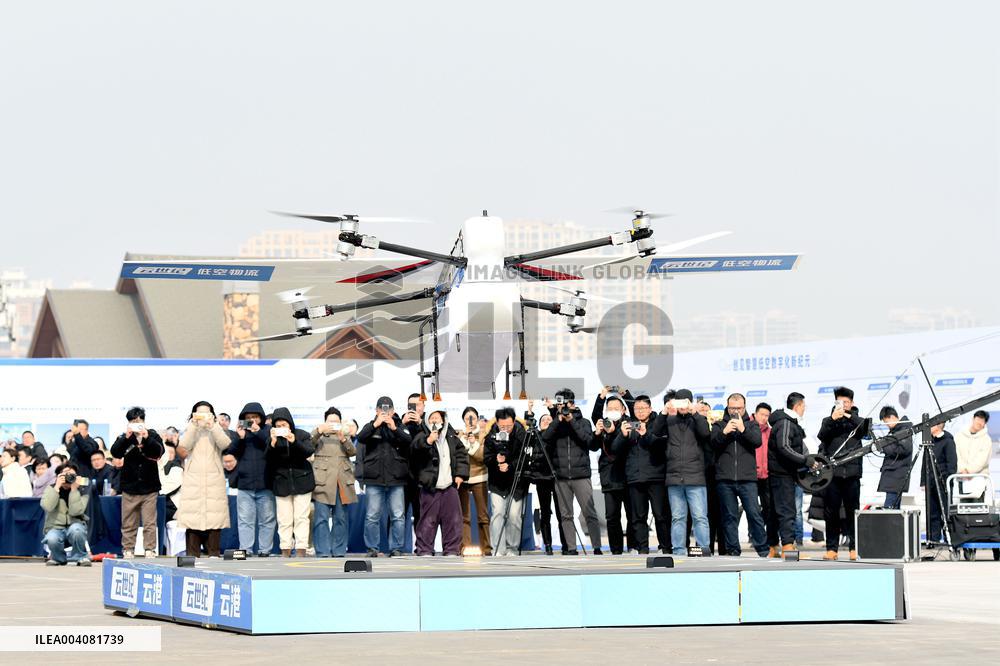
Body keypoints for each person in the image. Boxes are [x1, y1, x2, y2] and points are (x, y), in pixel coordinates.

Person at [543, 389, 602, 555]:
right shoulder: (556, 423)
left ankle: (597, 547)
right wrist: (558, 419)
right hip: (561, 476)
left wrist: (571, 421)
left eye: (566, 405)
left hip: (581, 475)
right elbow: (546, 438)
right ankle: (571, 548)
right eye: (560, 404)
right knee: (565, 515)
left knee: (589, 512)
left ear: (573, 405)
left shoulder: (583, 422)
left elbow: (588, 441)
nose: (563, 408)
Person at [655, 389, 712, 556]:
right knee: (678, 518)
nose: (682, 406)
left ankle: (703, 550)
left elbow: (705, 433)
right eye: (679, 402)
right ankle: (679, 550)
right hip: (674, 477)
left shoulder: (697, 419)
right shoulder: (669, 420)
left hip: (695, 477)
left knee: (700, 517)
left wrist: (694, 412)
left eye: (685, 402)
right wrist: (664, 412)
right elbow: (656, 432)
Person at [711, 393, 769, 557]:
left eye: (739, 408)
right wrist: (724, 432)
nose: (735, 411)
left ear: (744, 407)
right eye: (732, 408)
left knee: (754, 514)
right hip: (724, 478)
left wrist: (742, 429)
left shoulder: (751, 424)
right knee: (729, 517)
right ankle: (733, 550)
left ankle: (763, 549)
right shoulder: (719, 424)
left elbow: (757, 441)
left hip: (747, 479)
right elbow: (713, 443)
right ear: (727, 407)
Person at [613, 395, 671, 554]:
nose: (640, 411)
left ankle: (665, 548)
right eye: (637, 409)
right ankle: (642, 549)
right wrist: (623, 435)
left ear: (650, 409)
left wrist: (645, 434)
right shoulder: (629, 425)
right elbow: (615, 449)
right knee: (638, 517)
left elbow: (660, 446)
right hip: (634, 477)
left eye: (643, 408)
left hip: (656, 476)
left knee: (661, 515)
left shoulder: (659, 422)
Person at [358, 396, 413, 557]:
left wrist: (394, 427)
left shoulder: (400, 425)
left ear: (393, 411)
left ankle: (396, 548)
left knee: (398, 516)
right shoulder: (370, 426)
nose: (385, 413)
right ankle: (372, 548)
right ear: (376, 411)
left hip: (396, 478)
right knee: (371, 516)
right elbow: (361, 438)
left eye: (388, 410)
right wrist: (375, 424)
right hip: (374, 478)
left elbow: (408, 440)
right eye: (382, 410)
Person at [176, 401, 231, 557]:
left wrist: (213, 425)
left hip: (214, 479)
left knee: (215, 519)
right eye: (199, 413)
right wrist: (194, 425)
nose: (203, 416)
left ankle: (213, 553)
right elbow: (184, 446)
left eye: (206, 413)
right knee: (193, 519)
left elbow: (225, 443)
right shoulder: (191, 429)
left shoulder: (216, 428)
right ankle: (192, 555)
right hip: (193, 479)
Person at [817, 387, 866, 560]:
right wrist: (832, 419)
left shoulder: (857, 420)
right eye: (840, 402)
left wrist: (849, 416)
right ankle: (832, 548)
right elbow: (821, 435)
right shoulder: (828, 420)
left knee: (853, 511)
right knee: (831, 512)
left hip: (852, 473)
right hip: (833, 473)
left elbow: (865, 431)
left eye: (847, 402)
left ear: (852, 403)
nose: (843, 405)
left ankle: (855, 547)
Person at [411, 410, 469, 556]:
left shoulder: (451, 437)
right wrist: (428, 441)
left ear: (443, 421)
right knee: (427, 521)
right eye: (431, 418)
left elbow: (462, 455)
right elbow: (414, 453)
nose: (435, 421)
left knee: (453, 520)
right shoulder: (421, 436)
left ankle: (452, 550)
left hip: (449, 486)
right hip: (430, 487)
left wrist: (460, 475)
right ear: (427, 421)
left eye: (438, 418)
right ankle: (424, 550)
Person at [110, 407, 164, 559]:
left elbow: (158, 452)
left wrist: (146, 438)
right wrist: (126, 438)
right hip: (130, 487)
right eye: (133, 421)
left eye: (139, 420)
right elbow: (115, 452)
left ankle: (150, 549)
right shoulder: (125, 437)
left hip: (149, 487)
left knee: (149, 522)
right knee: (128, 522)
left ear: (144, 421)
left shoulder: (152, 435)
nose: (136, 423)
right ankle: (128, 549)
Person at [228, 402, 276, 556]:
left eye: (255, 417)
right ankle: (246, 550)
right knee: (245, 520)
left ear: (261, 418)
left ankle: (265, 550)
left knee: (267, 520)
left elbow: (271, 447)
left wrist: (258, 432)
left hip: (266, 483)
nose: (252, 421)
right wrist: (240, 438)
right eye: (248, 418)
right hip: (245, 483)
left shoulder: (268, 430)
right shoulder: (241, 433)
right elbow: (231, 452)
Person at [268, 407, 315, 557]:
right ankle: (285, 549)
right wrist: (273, 443)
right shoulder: (272, 438)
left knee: (301, 517)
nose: (282, 428)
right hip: (282, 483)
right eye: (278, 426)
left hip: (302, 481)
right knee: (284, 519)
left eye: (284, 425)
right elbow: (267, 459)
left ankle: (301, 549)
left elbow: (308, 451)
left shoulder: (302, 434)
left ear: (290, 424)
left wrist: (294, 441)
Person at [311, 407, 358, 558]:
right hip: (322, 482)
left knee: (341, 519)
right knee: (321, 519)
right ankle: (323, 551)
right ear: (325, 422)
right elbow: (307, 445)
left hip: (341, 482)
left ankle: (338, 551)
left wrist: (343, 438)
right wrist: (319, 430)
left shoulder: (344, 435)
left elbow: (353, 452)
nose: (333, 425)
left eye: (336, 422)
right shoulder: (318, 436)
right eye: (330, 422)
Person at [768, 392, 809, 557]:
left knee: (776, 511)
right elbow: (784, 447)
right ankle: (787, 547)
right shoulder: (786, 423)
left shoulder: (786, 422)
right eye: (804, 407)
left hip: (783, 473)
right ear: (797, 406)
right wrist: (805, 460)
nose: (804, 410)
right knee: (787, 510)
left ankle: (773, 547)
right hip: (782, 473)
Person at [484, 407, 530, 555]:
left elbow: (526, 458)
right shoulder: (491, 436)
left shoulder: (522, 435)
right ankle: (498, 549)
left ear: (514, 421)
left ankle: (512, 548)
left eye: (509, 426)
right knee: (497, 514)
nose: (506, 429)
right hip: (497, 483)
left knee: (514, 515)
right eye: (502, 426)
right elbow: (486, 458)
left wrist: (509, 466)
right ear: (497, 423)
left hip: (517, 482)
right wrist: (495, 460)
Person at [524, 404, 565, 554]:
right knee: (545, 512)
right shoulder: (534, 437)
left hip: (557, 476)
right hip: (542, 477)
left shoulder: (557, 435)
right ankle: (547, 545)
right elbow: (528, 427)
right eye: (543, 420)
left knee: (562, 512)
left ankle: (566, 544)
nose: (547, 421)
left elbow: (559, 422)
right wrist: (529, 412)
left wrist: (553, 410)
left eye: (549, 419)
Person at [594, 393, 633, 554]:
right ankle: (616, 550)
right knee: (612, 517)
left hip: (628, 476)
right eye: (610, 409)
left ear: (623, 409)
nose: (613, 411)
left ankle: (633, 547)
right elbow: (592, 445)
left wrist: (613, 433)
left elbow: (621, 447)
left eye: (616, 408)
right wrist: (598, 433)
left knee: (633, 515)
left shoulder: (629, 423)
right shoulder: (604, 424)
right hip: (609, 477)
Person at [41, 463, 91, 566]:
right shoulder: (51, 488)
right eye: (65, 475)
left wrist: (74, 490)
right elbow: (47, 506)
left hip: (75, 524)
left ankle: (80, 557)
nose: (69, 477)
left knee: (76, 530)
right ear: (58, 476)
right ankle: (58, 558)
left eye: (72, 475)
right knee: (52, 538)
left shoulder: (82, 489)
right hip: (55, 527)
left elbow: (75, 511)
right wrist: (57, 487)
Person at [457, 407, 492, 555]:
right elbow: (458, 457)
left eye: (473, 418)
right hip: (463, 478)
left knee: (483, 515)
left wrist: (473, 443)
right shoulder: (459, 435)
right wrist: (464, 439)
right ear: (463, 420)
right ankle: (464, 547)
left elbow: (482, 457)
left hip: (480, 478)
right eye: (467, 418)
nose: (470, 421)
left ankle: (487, 548)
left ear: (477, 419)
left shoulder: (484, 434)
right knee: (464, 516)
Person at [921, 423, 957, 544]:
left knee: (945, 512)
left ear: (937, 426)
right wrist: (923, 481)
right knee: (932, 512)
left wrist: (947, 481)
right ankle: (933, 539)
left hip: (943, 482)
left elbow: (952, 463)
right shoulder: (929, 441)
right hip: (930, 481)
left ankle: (949, 538)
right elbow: (924, 462)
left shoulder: (948, 440)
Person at [753, 403, 779, 548]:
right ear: (755, 414)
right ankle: (755, 538)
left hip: (767, 475)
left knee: (770, 510)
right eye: (762, 414)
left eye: (767, 415)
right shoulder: (748, 428)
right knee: (751, 510)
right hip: (751, 476)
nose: (764, 418)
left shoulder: (771, 432)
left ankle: (771, 542)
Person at [878, 406, 913, 509]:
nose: (887, 426)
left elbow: (904, 449)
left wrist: (884, 446)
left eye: (886, 422)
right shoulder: (898, 431)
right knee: (894, 510)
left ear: (893, 417)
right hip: (894, 475)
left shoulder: (903, 429)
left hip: (896, 475)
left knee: (889, 509)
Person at [400, 393, 426, 528]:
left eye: (418, 405)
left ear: (423, 406)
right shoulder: (399, 421)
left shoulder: (429, 421)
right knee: (398, 514)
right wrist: (401, 424)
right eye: (412, 405)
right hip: (402, 476)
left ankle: (422, 547)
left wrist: (421, 423)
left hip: (422, 476)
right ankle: (395, 547)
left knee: (420, 514)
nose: (415, 408)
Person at [955, 410, 992, 502]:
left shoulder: (986, 439)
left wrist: (968, 471)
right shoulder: (959, 436)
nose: (979, 422)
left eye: (982, 420)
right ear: (973, 419)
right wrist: (962, 470)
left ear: (985, 423)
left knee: (977, 509)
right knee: (962, 509)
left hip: (978, 479)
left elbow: (982, 460)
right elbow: (955, 454)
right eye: (978, 419)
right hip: (961, 478)